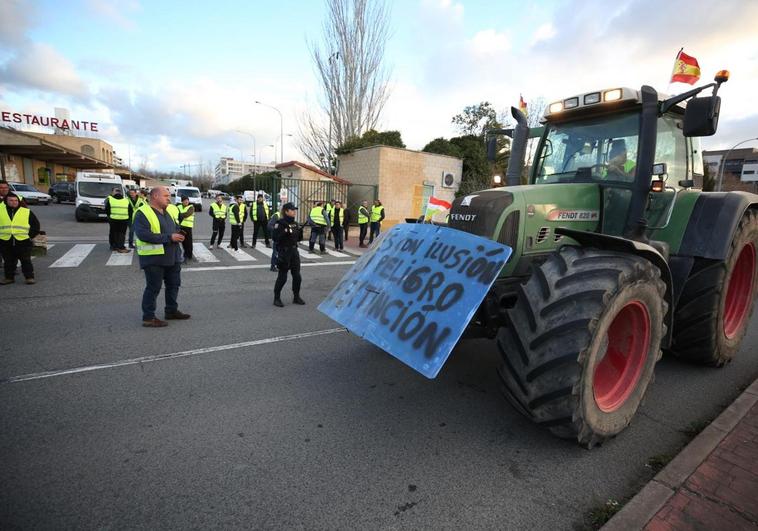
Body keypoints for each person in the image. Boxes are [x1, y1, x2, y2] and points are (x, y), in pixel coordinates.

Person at [133, 186, 190, 327]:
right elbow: (143, 235)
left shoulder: (168, 211)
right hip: (154, 258)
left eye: (168, 195)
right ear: (155, 197)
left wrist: (179, 233)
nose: (168, 198)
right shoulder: (143, 212)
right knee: (153, 288)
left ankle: (171, 310)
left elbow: (174, 227)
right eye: (165, 195)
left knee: (174, 285)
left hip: (172, 256)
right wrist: (170, 237)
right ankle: (148, 317)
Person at [0, 192, 40, 285]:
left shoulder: (26, 211)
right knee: (8, 261)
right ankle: (9, 278)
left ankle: (29, 277)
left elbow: (35, 225)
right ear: (6, 201)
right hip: (5, 240)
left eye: (16, 200)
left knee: (26, 260)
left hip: (23, 241)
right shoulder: (1, 211)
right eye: (11, 200)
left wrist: (30, 236)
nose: (14, 202)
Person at [272, 203, 305, 307]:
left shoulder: (295, 223)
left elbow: (298, 239)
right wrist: (284, 232)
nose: (294, 211)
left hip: (294, 251)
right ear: (286, 211)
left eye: (295, 209)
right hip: (284, 252)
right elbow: (275, 238)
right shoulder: (280, 223)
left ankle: (296, 296)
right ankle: (276, 298)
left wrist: (300, 232)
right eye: (292, 210)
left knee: (297, 276)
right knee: (283, 277)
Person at [105, 186, 132, 253]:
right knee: (121, 234)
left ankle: (113, 246)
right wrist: (128, 218)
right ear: (121, 193)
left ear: (114, 193)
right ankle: (121, 247)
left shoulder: (110, 199)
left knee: (113, 233)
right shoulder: (126, 200)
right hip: (124, 220)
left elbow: (107, 209)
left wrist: (110, 217)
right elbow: (130, 211)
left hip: (113, 219)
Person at [177, 195, 195, 261]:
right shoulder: (178, 207)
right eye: (185, 200)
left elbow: (187, 214)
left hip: (188, 227)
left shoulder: (191, 207)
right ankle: (185, 254)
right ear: (182, 201)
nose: (186, 201)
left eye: (187, 200)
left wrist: (180, 215)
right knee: (183, 242)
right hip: (180, 227)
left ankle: (189, 255)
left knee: (189, 242)